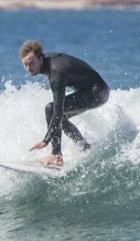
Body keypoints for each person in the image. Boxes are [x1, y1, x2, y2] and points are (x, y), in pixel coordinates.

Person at [19, 40, 109, 169]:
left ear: (40, 59)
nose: (28, 68)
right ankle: (85, 147)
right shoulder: (45, 60)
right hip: (92, 90)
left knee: (51, 109)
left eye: (31, 63)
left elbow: (58, 110)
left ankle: (56, 155)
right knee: (60, 118)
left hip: (98, 93)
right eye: (25, 64)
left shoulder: (56, 72)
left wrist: (46, 139)